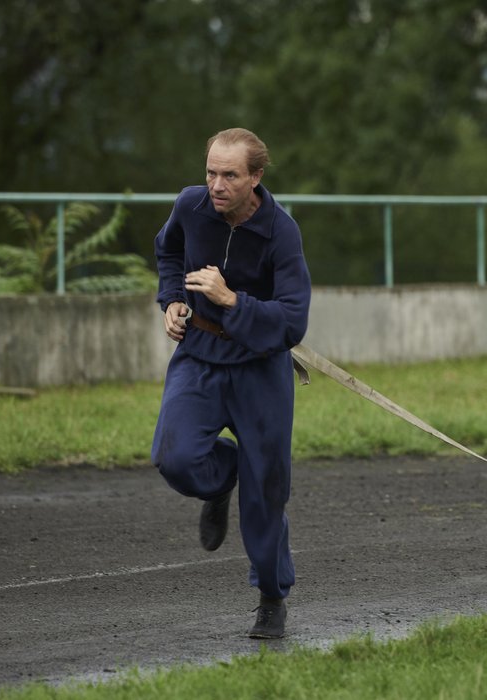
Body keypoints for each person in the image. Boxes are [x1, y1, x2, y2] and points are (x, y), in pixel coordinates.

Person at [151, 127, 311, 639]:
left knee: (267, 490)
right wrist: (173, 300)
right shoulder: (189, 205)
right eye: (210, 172)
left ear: (256, 178)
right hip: (198, 354)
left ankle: (271, 597)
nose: (216, 185)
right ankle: (222, 483)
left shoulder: (281, 232)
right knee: (175, 457)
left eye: (230, 175)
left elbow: (293, 320)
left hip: (260, 365)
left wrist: (230, 300)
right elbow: (169, 254)